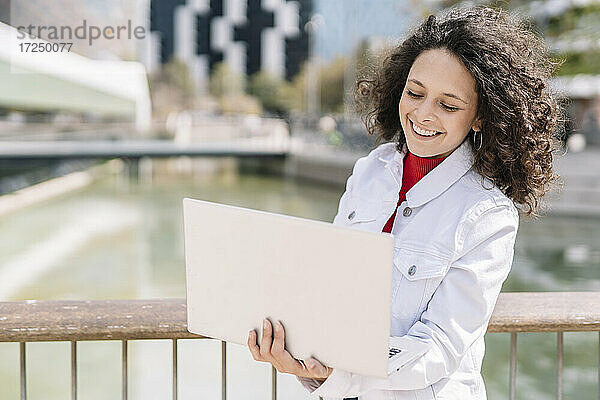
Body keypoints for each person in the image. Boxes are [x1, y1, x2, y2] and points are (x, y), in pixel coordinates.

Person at [247, 5, 563, 400]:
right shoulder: (369, 172)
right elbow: (329, 289)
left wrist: (341, 372)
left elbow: (441, 347)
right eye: (415, 93)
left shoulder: (489, 214)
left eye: (448, 105)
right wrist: (299, 352)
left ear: (480, 117)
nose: (423, 114)